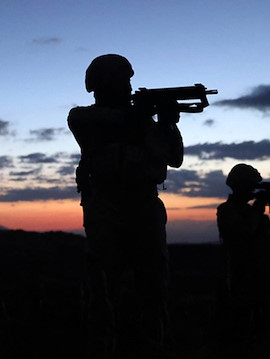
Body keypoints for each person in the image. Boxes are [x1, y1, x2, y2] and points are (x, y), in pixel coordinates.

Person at [67, 54, 183, 358]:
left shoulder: (142, 123)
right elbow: (106, 125)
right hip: (107, 206)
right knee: (105, 287)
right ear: (101, 85)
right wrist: (143, 116)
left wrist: (166, 124)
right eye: (123, 81)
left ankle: (152, 344)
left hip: (144, 204)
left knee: (153, 287)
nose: (129, 87)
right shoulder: (83, 117)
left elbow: (174, 158)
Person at [216, 163, 270, 341]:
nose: (252, 190)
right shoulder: (227, 210)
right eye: (249, 186)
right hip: (240, 273)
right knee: (241, 325)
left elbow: (266, 234)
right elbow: (246, 231)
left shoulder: (251, 212)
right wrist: (257, 210)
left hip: (259, 272)